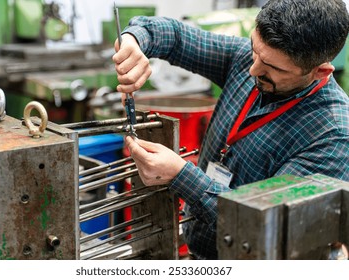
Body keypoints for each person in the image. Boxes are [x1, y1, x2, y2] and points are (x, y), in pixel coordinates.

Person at [112, 0, 349, 259]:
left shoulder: (332, 136)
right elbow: (175, 37)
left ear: (320, 71)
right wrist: (134, 41)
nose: (253, 69)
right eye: (255, 50)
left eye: (274, 68)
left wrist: (180, 175)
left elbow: (266, 228)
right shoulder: (248, 58)